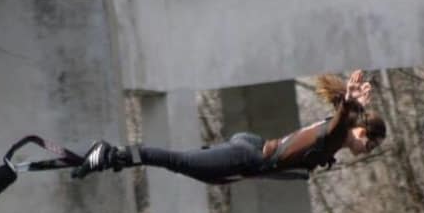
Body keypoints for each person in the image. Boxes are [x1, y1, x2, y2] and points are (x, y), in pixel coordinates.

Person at [72, 70, 386, 183]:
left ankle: (116, 158)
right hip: (248, 158)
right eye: (368, 144)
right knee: (175, 161)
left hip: (247, 155)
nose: (366, 150)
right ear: (359, 131)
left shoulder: (332, 137)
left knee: (185, 164)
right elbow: (339, 124)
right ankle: (112, 155)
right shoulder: (335, 134)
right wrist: (352, 104)